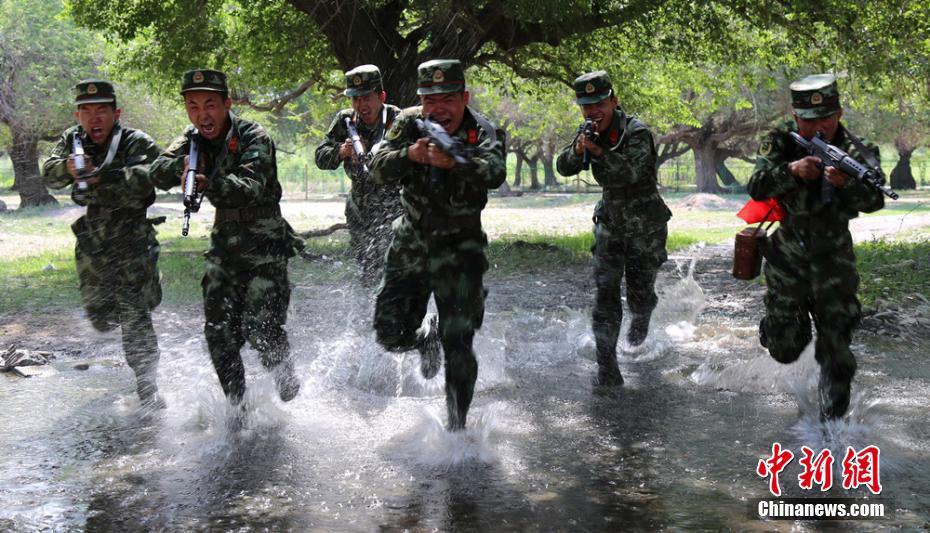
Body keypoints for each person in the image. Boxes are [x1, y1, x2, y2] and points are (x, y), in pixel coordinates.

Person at [149, 69, 303, 405]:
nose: (202, 115)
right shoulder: (191, 140)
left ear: (226, 104)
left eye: (209, 105)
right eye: (193, 107)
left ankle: (285, 376)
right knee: (218, 331)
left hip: (265, 246)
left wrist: (208, 182)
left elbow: (248, 189)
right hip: (225, 249)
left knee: (262, 331)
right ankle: (237, 407)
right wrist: (182, 170)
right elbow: (157, 172)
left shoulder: (254, 137)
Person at [369, 59, 506, 430]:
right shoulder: (407, 122)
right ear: (420, 100)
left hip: (462, 248)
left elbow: (495, 172)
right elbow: (376, 165)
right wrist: (409, 155)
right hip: (411, 242)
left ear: (465, 96)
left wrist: (455, 161)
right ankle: (423, 340)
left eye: (448, 98)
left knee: (459, 343)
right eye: (430, 100)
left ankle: (456, 428)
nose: (439, 109)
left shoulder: (481, 129)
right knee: (388, 331)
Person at [748, 73, 885, 420]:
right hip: (788, 257)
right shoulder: (780, 141)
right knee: (785, 348)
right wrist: (791, 170)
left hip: (834, 259)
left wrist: (845, 184)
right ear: (796, 118)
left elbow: (875, 199)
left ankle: (832, 427)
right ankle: (775, 327)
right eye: (808, 121)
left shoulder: (858, 149)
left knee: (836, 350)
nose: (818, 126)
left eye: (825, 118)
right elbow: (756, 186)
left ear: (838, 113)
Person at [42, 79, 165, 408]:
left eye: (102, 111)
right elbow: (49, 173)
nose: (94, 118)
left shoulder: (134, 141)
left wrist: (102, 177)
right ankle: (142, 298)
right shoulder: (72, 139)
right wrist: (67, 167)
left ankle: (148, 388)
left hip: (132, 236)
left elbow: (150, 177)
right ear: (78, 114)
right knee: (100, 317)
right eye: (86, 111)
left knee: (134, 312)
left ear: (116, 113)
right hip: (93, 240)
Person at [556, 71, 671, 387]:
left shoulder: (636, 132)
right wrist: (579, 149)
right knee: (605, 292)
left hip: (645, 228)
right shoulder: (588, 131)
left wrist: (597, 153)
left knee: (639, 294)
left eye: (599, 103)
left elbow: (631, 172)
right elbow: (563, 165)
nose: (593, 111)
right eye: (586, 106)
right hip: (610, 227)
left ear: (613, 100)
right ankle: (606, 366)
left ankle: (643, 313)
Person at [315, 65, 403, 285]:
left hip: (395, 210)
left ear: (381, 96)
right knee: (369, 273)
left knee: (395, 272)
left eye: (366, 98)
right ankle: (369, 317)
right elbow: (320, 156)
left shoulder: (398, 119)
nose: (361, 105)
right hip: (360, 213)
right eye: (355, 99)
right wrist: (342, 151)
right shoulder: (346, 120)